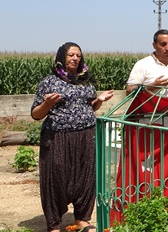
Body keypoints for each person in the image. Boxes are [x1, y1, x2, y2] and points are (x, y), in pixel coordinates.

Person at [31, 42, 114, 232]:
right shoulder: (49, 82)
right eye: (70, 55)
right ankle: (54, 224)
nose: (75, 58)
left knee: (85, 176)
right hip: (58, 136)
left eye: (78, 55)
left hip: (86, 134)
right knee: (56, 177)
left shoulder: (86, 81)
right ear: (61, 57)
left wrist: (98, 101)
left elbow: (89, 107)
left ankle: (83, 218)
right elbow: (36, 114)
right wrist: (47, 104)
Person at [126, 29, 168, 96]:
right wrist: (153, 86)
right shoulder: (142, 64)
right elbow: (129, 91)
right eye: (163, 44)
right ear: (154, 45)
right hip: (151, 106)